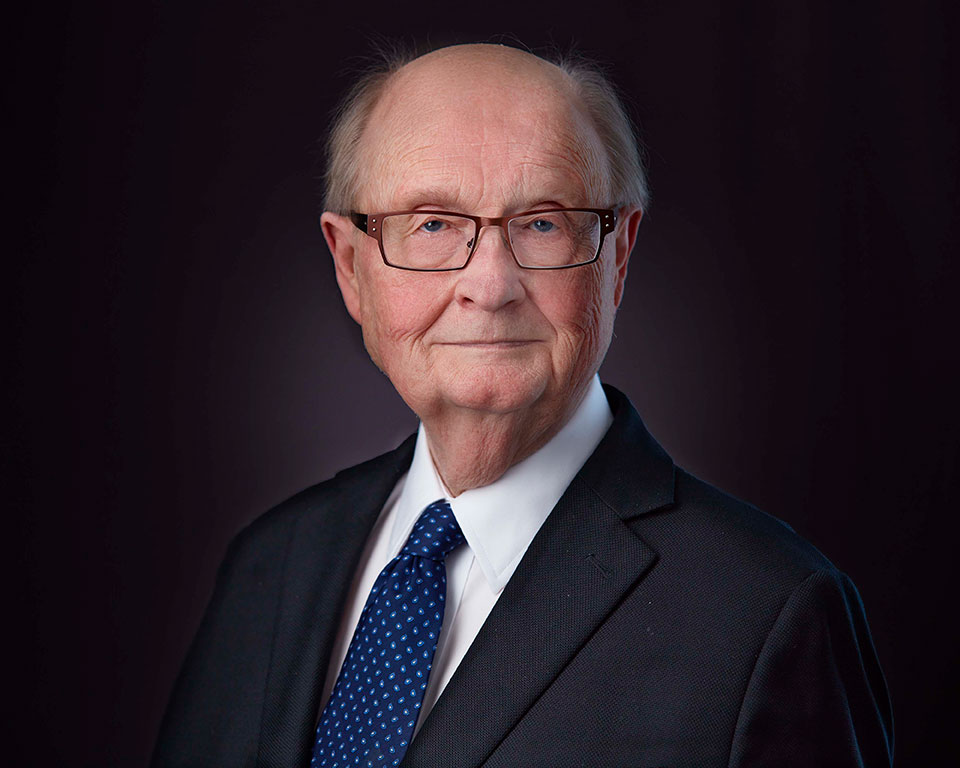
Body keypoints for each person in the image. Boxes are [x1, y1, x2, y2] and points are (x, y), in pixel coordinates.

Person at [152, 43, 894, 767]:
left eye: (542, 222)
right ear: (351, 266)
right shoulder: (268, 565)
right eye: (434, 223)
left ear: (619, 256)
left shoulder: (766, 615)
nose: (491, 284)